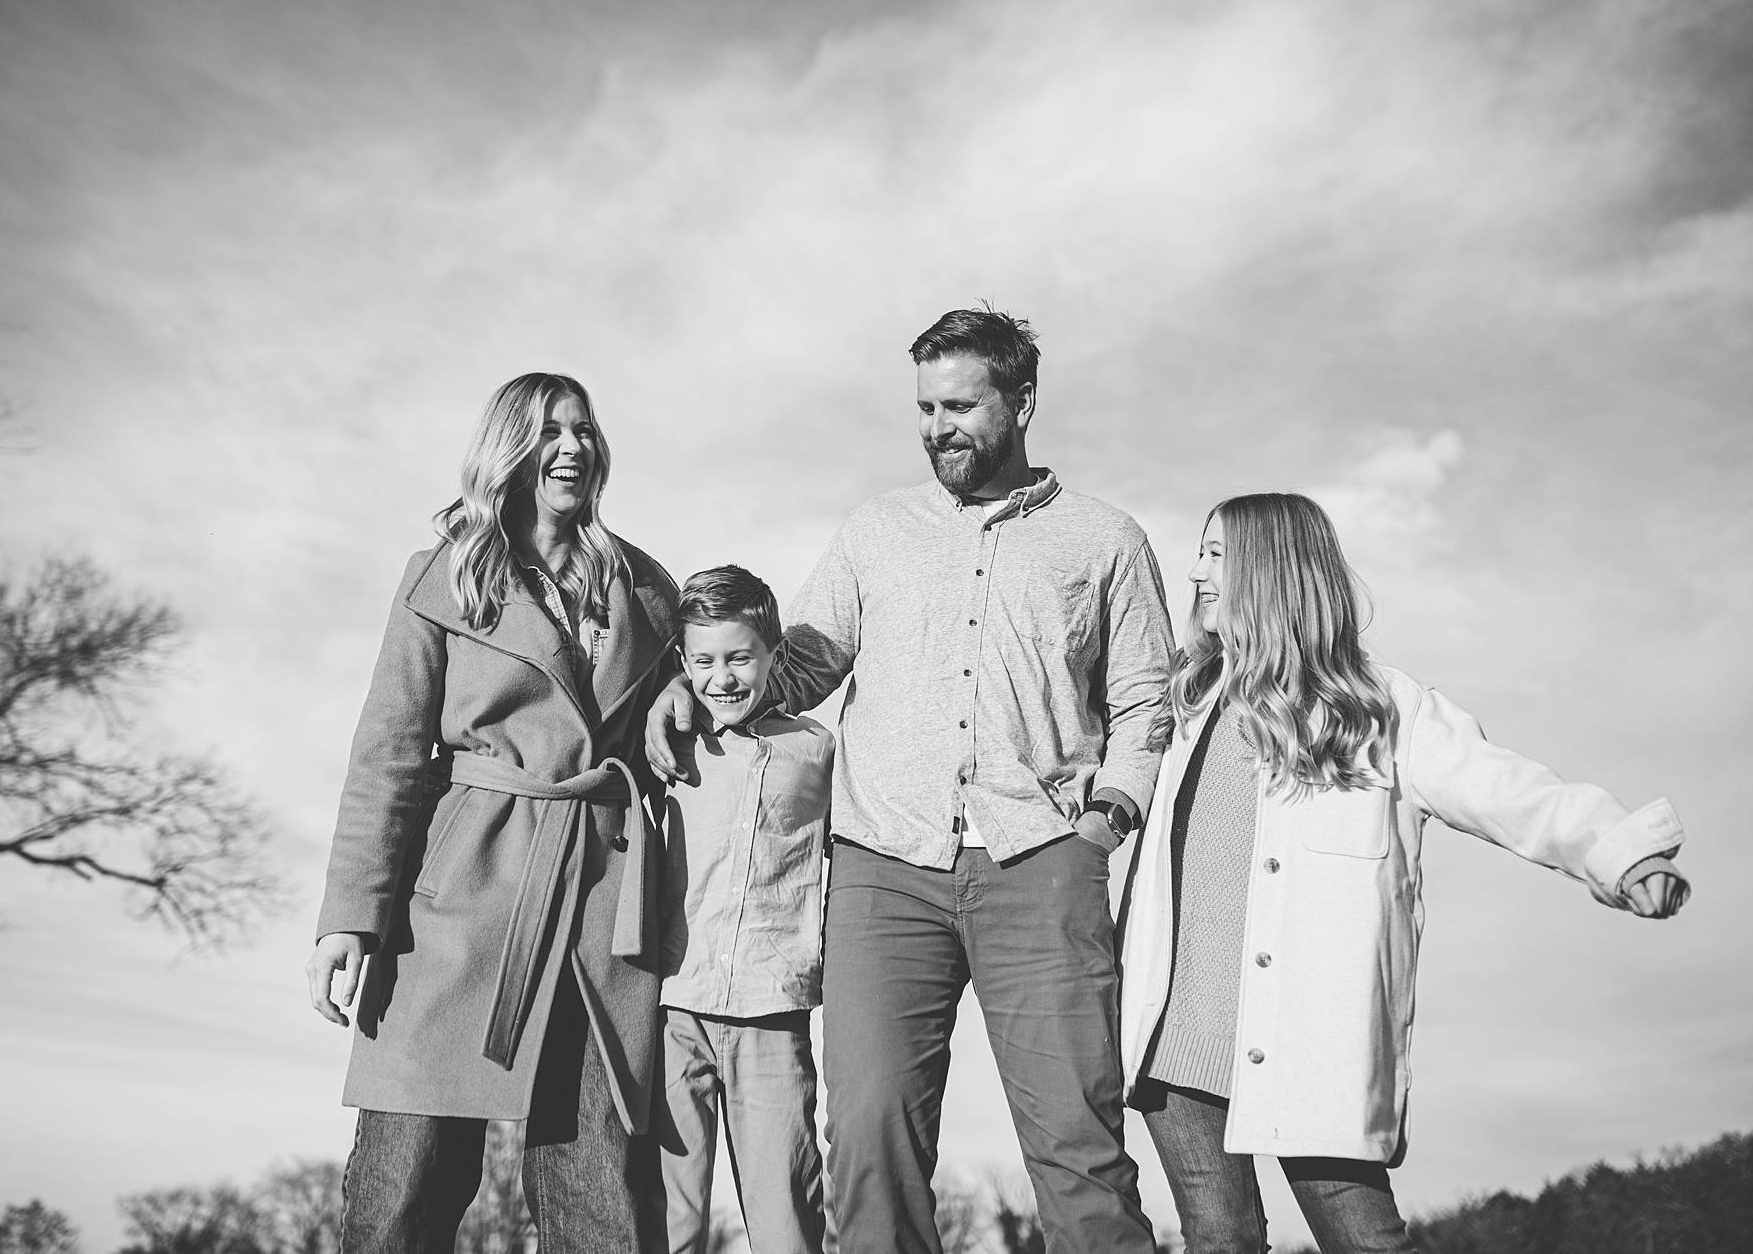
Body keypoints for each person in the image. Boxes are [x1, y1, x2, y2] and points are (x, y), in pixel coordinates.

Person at [648, 306, 1171, 1254]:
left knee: (1078, 1144)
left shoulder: (1107, 541)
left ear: (1022, 400)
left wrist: (1106, 815)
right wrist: (684, 695)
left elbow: (1143, 701)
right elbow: (797, 665)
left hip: (1042, 861)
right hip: (884, 869)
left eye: (961, 405)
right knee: (869, 1138)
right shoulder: (876, 531)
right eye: (925, 407)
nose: (939, 427)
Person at [1119, 492, 1691, 1254]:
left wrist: (1619, 847)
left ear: (1274, 571)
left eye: (1217, 554)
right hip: (1173, 1040)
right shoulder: (1187, 703)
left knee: (1368, 1241)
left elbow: (1505, 787)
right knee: (1218, 1239)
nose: (1196, 572)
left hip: (1308, 1042)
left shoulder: (1379, 710)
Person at [305, 373, 682, 1254]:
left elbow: (701, 698)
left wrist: (680, 701)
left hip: (601, 908)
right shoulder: (443, 577)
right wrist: (350, 918)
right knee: (404, 1189)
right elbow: (389, 753)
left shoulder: (647, 588)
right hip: (457, 905)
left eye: (585, 430)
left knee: (603, 1201)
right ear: (510, 447)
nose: (574, 447)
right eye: (552, 430)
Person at [650, 565, 835, 1254]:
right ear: (682, 663)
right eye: (703, 660)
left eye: (739, 657)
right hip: (676, 1007)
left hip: (772, 1013)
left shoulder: (817, 750)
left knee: (786, 1210)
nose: (722, 677)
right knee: (671, 1216)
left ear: (774, 657)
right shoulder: (666, 742)